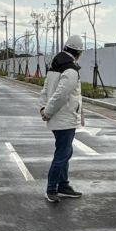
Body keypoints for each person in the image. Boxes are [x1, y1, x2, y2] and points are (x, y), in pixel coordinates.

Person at [38, 34, 85, 203]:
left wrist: (43, 108)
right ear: (79, 52)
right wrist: (48, 112)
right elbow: (61, 95)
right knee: (62, 154)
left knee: (65, 152)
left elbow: (45, 90)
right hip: (64, 118)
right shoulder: (71, 70)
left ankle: (63, 185)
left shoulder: (54, 66)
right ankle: (52, 189)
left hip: (58, 117)